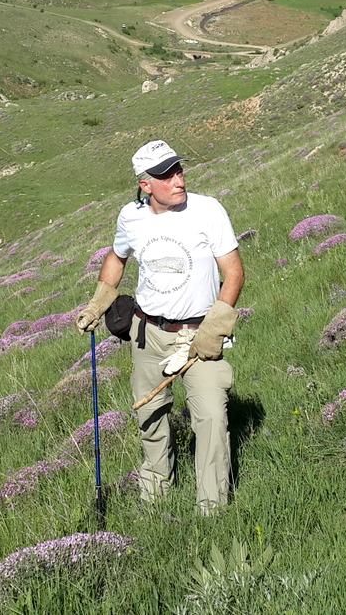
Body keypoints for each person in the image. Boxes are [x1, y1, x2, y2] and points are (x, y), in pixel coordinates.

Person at [75, 139, 244, 514]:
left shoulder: (208, 210)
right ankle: (155, 494)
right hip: (147, 332)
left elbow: (233, 272)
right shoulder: (130, 217)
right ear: (145, 184)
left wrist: (215, 328)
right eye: (165, 175)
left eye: (178, 170)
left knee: (213, 418)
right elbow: (117, 257)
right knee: (150, 417)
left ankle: (212, 509)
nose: (178, 179)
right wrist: (99, 301)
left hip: (199, 334)